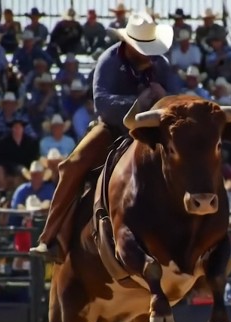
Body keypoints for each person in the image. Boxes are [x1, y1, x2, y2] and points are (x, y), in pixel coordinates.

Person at [28, 12, 180, 264]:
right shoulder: (109, 61)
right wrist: (138, 102)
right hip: (112, 129)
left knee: (190, 158)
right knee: (73, 165)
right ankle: (50, 237)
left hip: (153, 130)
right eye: (144, 49)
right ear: (129, 45)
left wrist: (166, 95)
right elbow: (102, 104)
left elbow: (178, 99)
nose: (148, 55)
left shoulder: (160, 64)